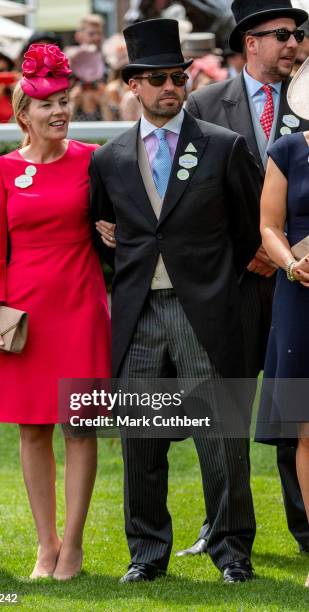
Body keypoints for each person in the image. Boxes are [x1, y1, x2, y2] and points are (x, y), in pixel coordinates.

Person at [91, 18, 261, 584]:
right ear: (132, 86)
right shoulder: (108, 159)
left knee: (222, 440)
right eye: (158, 78)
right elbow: (105, 232)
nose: (171, 86)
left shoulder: (224, 146)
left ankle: (232, 552)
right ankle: (146, 554)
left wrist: (213, 287)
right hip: (138, 316)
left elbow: (248, 231)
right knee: (140, 444)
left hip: (206, 311)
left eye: (178, 77)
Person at [0, 43, 111, 580]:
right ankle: (44, 545)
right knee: (32, 430)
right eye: (47, 103)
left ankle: (72, 546)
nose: (59, 111)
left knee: (78, 428)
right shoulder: (1, 171)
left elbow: (119, 229)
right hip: (23, 316)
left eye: (64, 100)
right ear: (23, 114)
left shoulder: (94, 161)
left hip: (80, 308)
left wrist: (116, 236)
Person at [183, 0, 309, 557]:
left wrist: (283, 253)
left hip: (298, 281)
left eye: (298, 34)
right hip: (233, 282)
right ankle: (227, 533)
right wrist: (256, 249)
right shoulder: (204, 103)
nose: (294, 44)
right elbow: (191, 198)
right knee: (227, 410)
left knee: (296, 409)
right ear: (249, 42)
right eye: (281, 34)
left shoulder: (308, 103)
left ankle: (306, 529)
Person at [255, 55, 309, 588]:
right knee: (306, 431)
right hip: (299, 299)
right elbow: (269, 226)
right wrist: (292, 263)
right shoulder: (287, 149)